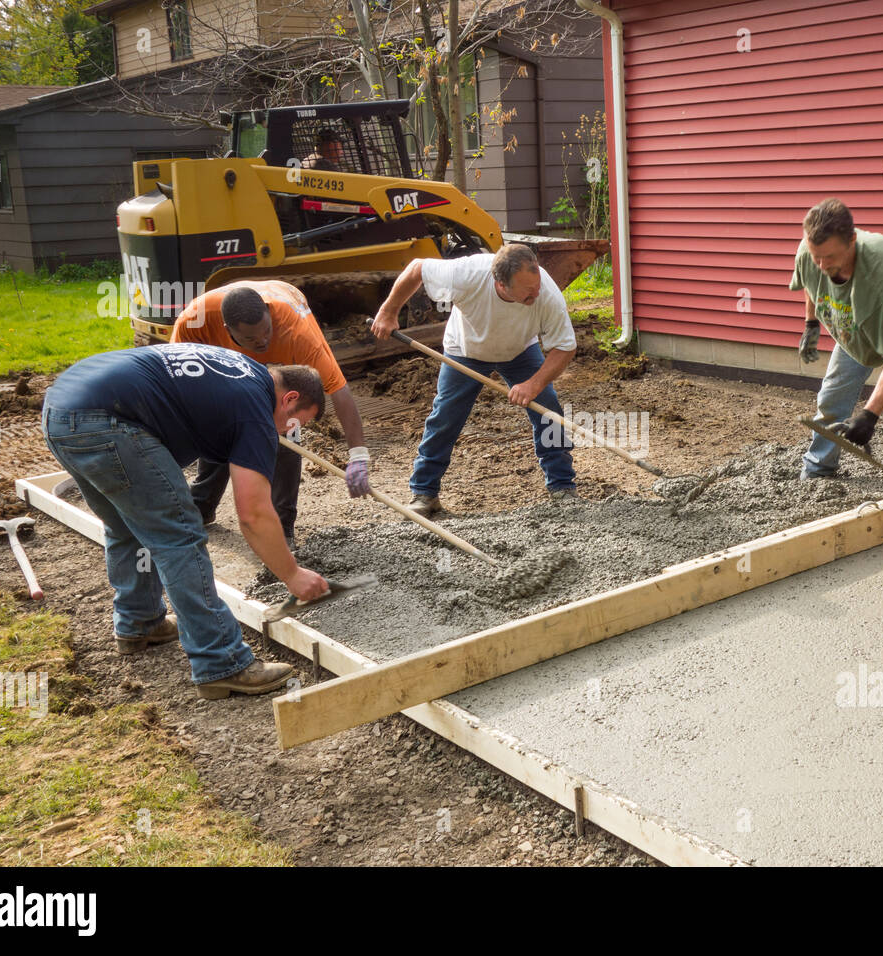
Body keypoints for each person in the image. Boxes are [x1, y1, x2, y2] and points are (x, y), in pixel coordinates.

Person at [41, 344, 331, 700]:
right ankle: (221, 662)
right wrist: (292, 574)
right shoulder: (255, 407)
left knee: (125, 524)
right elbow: (253, 514)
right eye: (294, 424)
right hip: (108, 423)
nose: (289, 433)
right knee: (179, 535)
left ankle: (139, 622)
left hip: (61, 411)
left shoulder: (244, 372)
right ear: (289, 398)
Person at [369, 243, 578, 516]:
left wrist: (533, 385)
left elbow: (565, 347)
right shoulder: (467, 273)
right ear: (500, 284)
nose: (536, 292)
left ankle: (562, 486)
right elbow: (417, 268)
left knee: (549, 412)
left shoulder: (545, 293)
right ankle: (424, 492)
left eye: (537, 285)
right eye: (527, 290)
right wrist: (388, 311)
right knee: (445, 417)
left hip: (519, 351)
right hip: (465, 351)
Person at [171, 279, 372, 548]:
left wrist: (358, 456)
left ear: (269, 315)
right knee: (221, 424)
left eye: (266, 331)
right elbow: (176, 381)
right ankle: (202, 506)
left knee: (287, 431)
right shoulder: (194, 323)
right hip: (220, 360)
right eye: (251, 338)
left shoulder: (296, 332)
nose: (263, 340)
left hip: (285, 340)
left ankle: (282, 525)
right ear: (228, 330)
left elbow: (339, 390)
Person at [791, 198, 883, 492]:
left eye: (830, 258)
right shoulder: (810, 253)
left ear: (852, 241)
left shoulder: (878, 274)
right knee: (833, 395)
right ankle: (819, 468)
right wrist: (811, 323)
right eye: (816, 257)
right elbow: (812, 283)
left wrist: (869, 415)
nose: (822, 265)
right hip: (856, 320)